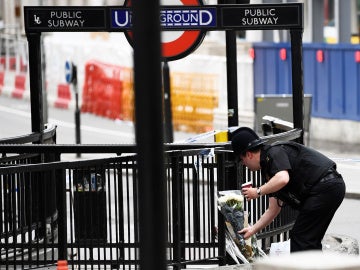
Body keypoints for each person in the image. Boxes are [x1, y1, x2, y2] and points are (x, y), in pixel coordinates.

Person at [231, 127, 346, 252]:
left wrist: (258, 191)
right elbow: (273, 209)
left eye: (242, 160)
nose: (244, 165)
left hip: (325, 187)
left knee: (301, 239)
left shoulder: (274, 152)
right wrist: (253, 229)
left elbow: (283, 179)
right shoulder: (268, 168)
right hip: (327, 188)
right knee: (308, 241)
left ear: (248, 154)